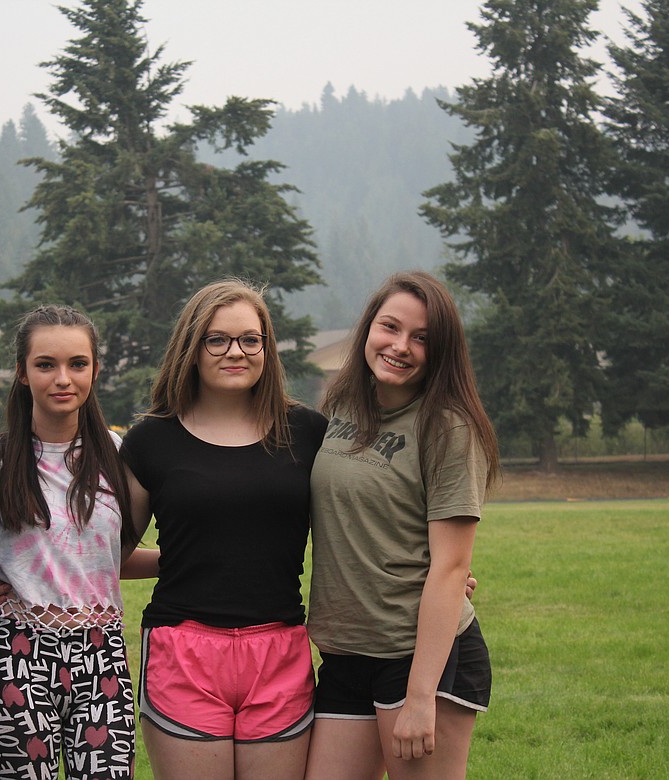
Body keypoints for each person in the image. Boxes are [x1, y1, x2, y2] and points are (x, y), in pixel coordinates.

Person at [118, 279, 325, 780]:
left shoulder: (309, 433)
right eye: (217, 339)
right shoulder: (151, 440)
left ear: (266, 347)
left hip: (280, 650)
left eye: (250, 339)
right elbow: (109, 554)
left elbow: (361, 522)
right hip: (182, 652)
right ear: (192, 347)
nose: (236, 351)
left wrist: (429, 573)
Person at [304, 271, 500, 780]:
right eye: (390, 327)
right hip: (346, 652)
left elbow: (452, 567)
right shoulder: (342, 403)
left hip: (419, 656)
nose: (400, 346)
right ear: (368, 327)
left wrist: (419, 697)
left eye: (422, 339)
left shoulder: (448, 427)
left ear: (442, 352)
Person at [0, 304, 157, 780]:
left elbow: (107, 560)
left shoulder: (120, 455)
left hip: (102, 652)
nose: (63, 378)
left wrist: (182, 560)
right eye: (46, 364)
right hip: (19, 651)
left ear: (94, 370)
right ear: (21, 372)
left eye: (77, 364)